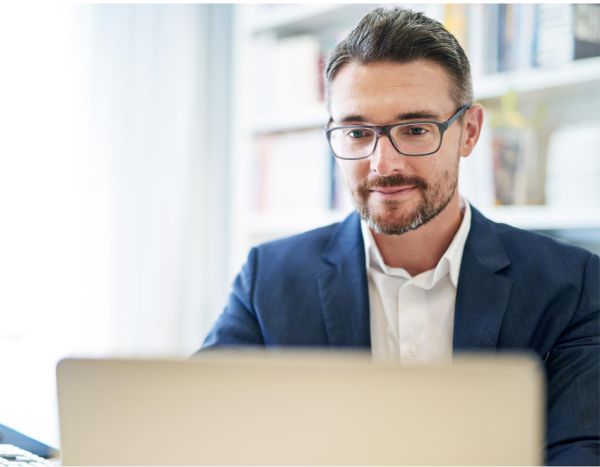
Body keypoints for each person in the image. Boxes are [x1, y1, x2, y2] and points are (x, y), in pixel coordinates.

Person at [201, 7, 599, 465]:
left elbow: (580, 453)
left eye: (414, 130)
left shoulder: (573, 284)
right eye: (356, 132)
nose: (383, 165)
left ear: (468, 132)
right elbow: (201, 429)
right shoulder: (268, 280)